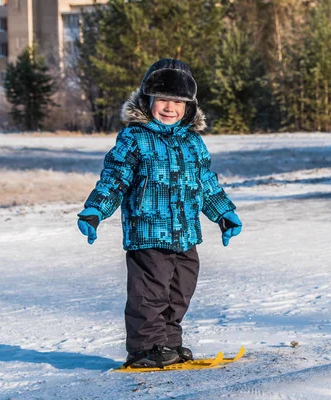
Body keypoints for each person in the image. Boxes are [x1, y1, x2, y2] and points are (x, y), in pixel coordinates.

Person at [77, 58, 242, 368]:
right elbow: (115, 178)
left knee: (180, 292)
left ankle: (168, 342)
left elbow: (206, 183)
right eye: (163, 99)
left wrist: (224, 214)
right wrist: (95, 210)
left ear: (190, 106)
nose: (170, 108)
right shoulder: (135, 138)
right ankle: (144, 348)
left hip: (186, 234)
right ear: (148, 99)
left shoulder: (193, 141)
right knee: (149, 294)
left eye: (178, 102)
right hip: (148, 234)